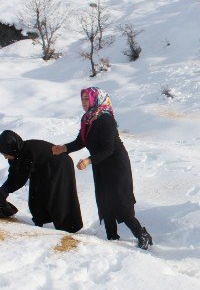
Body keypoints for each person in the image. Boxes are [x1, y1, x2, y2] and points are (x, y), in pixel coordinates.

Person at [52, 87, 152, 249]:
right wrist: (64, 148)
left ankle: (142, 234)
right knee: (104, 201)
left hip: (116, 165)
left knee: (120, 202)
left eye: (87, 99)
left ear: (95, 99)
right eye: (82, 99)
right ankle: (112, 238)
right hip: (101, 163)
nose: (84, 103)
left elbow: (108, 149)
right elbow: (81, 141)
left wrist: (88, 160)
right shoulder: (87, 119)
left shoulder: (105, 119)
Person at [0, 130, 83, 233]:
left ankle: (68, 227)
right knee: (36, 193)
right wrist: (1, 191)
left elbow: (20, 179)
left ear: (12, 148)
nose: (5, 157)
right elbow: (13, 174)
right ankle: (40, 219)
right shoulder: (16, 153)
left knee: (57, 196)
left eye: (6, 154)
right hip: (44, 167)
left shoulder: (27, 152)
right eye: (3, 154)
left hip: (60, 165)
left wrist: (3, 192)